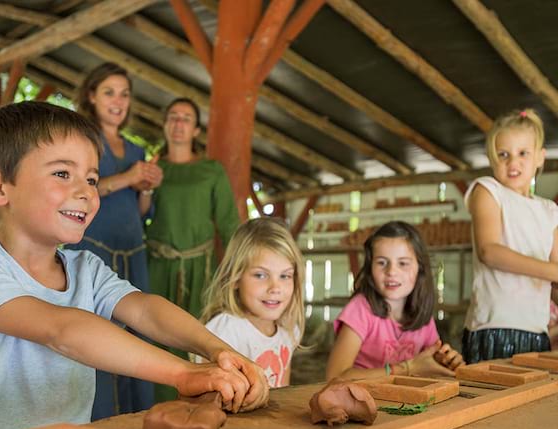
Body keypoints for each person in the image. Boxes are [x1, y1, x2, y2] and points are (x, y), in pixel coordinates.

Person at [0, 101, 268, 429]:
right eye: (62, 174)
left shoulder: (85, 267)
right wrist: (185, 373)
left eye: (92, 178)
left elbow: (146, 310)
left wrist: (219, 351)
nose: (86, 191)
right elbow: (63, 330)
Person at [67, 62, 162, 420]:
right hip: (94, 249)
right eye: (109, 92)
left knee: (138, 333)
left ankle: (138, 417)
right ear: (91, 96)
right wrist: (126, 178)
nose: (118, 100)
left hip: (132, 250)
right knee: (96, 336)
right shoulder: (81, 140)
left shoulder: (136, 150)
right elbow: (80, 191)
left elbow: (141, 212)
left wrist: (147, 187)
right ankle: (98, 419)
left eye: (124, 94)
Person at [146, 97, 240, 400]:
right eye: (173, 117)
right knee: (154, 335)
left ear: (196, 130)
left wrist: (240, 272)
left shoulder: (211, 170)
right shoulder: (152, 168)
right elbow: (137, 215)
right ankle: (154, 408)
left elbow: (228, 223)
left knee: (199, 336)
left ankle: (199, 404)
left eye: (186, 118)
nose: (178, 123)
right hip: (157, 265)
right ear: (164, 125)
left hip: (201, 267)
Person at [463, 108, 558, 363]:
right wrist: (553, 273)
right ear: (492, 158)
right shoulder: (488, 191)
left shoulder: (549, 210)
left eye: (523, 153)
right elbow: (489, 252)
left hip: (537, 332)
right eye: (503, 154)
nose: (512, 162)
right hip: (493, 327)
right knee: (489, 400)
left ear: (540, 157)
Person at [326, 221, 464, 381]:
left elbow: (429, 363)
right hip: (360, 402)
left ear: (420, 268)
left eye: (403, 263)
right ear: (370, 268)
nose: (391, 271)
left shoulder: (423, 318)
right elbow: (334, 376)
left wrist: (445, 362)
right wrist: (407, 368)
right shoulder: (360, 310)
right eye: (382, 262)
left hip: (404, 403)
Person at [195, 218, 305, 388]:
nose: (275, 288)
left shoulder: (289, 330)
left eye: (285, 276)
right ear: (236, 277)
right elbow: (206, 399)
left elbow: (283, 391)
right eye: (261, 275)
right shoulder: (224, 332)